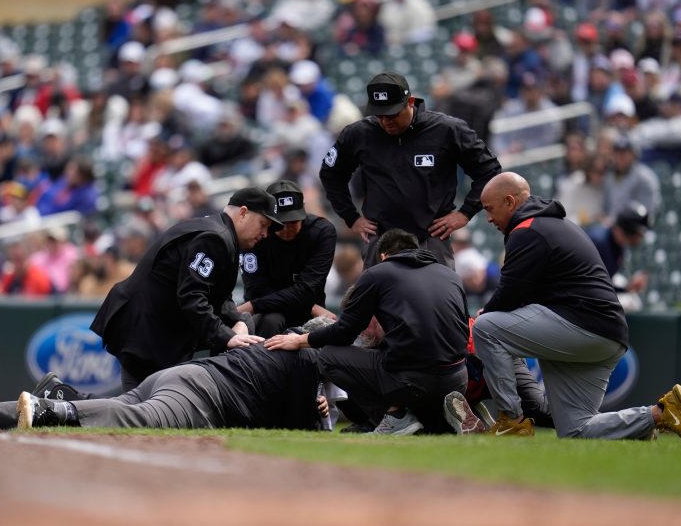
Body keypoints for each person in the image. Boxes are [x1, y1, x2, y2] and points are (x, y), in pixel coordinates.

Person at [471, 172, 681, 441]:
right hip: (606, 335)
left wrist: (485, 312)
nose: (488, 218)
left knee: (486, 327)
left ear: (509, 202)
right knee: (575, 430)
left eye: (490, 209)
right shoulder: (553, 224)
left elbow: (509, 294)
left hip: (583, 325)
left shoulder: (527, 229)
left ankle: (511, 420)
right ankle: (660, 414)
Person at [0, 319, 333, 433]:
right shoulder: (305, 359)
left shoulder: (277, 342)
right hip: (204, 396)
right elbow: (301, 426)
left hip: (183, 374)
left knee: (122, 406)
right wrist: (317, 409)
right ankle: (53, 408)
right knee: (135, 419)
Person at [265, 229, 469, 435]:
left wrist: (300, 340)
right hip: (458, 379)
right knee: (430, 416)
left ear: (383, 256)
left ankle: (392, 418)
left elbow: (345, 332)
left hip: (414, 381)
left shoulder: (378, 273)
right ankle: (442, 419)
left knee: (329, 356)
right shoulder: (450, 275)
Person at [90, 187, 283, 391]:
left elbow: (218, 295)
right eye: (263, 224)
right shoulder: (215, 237)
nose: (264, 234)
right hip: (145, 330)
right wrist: (227, 335)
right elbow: (192, 297)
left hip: (151, 327)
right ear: (243, 212)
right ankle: (70, 407)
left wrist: (236, 320)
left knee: (148, 408)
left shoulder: (219, 230)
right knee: (143, 409)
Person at [319, 71, 500, 269]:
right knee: (377, 299)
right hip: (381, 239)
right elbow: (330, 174)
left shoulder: (447, 129)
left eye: (392, 113)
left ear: (410, 101)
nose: (386, 121)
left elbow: (489, 170)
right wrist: (351, 217)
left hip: (431, 238)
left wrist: (465, 213)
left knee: (439, 298)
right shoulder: (359, 134)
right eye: (380, 115)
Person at [238, 180, 337, 337]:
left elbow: (306, 290)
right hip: (266, 312)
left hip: (307, 313)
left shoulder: (321, 232)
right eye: (281, 223)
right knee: (271, 321)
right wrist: (311, 307)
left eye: (293, 221)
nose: (287, 228)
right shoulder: (255, 233)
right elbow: (256, 289)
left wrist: (252, 305)